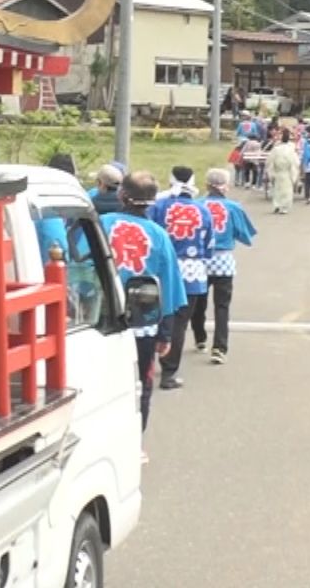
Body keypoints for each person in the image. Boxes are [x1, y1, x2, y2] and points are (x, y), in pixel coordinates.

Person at [100, 171, 186, 435]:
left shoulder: (101, 224)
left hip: (100, 317)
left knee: (103, 383)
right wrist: (165, 332)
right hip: (143, 320)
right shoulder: (158, 235)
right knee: (140, 383)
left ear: (121, 195)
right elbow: (169, 288)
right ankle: (135, 441)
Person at [146, 179, 211, 389]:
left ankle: (145, 366)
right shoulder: (203, 210)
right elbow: (209, 243)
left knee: (152, 317)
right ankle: (169, 372)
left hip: (162, 267)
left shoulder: (161, 207)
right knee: (180, 323)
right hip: (192, 270)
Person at [196, 168, 258, 363]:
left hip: (200, 260)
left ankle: (200, 338)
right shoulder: (233, 207)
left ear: (206, 185)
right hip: (223, 261)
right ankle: (220, 348)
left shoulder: (197, 206)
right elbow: (246, 236)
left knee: (198, 302)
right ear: (226, 186)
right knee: (222, 306)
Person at [265, 127, 299, 214]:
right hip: (287, 172)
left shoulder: (276, 149)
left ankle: (277, 205)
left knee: (277, 189)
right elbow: (295, 162)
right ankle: (284, 207)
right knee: (287, 190)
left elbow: (269, 160)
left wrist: (271, 172)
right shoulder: (291, 149)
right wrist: (294, 174)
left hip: (277, 171)